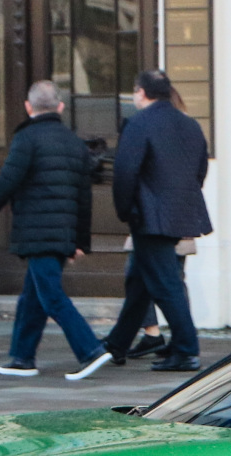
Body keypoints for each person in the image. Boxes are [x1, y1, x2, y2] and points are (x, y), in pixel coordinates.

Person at [0, 80, 106, 377]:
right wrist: (80, 240)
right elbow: (84, 198)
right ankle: (22, 358)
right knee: (32, 297)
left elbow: (7, 181)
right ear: (59, 107)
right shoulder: (74, 143)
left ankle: (90, 350)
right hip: (63, 232)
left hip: (37, 231)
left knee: (51, 296)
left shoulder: (27, 139)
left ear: (28, 107)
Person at [90, 70, 212, 374]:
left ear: (141, 92)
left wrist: (125, 211)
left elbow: (125, 173)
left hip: (149, 216)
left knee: (165, 282)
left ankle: (186, 349)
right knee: (141, 281)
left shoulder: (139, 123)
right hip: (180, 213)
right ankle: (118, 342)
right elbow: (199, 170)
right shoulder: (190, 124)